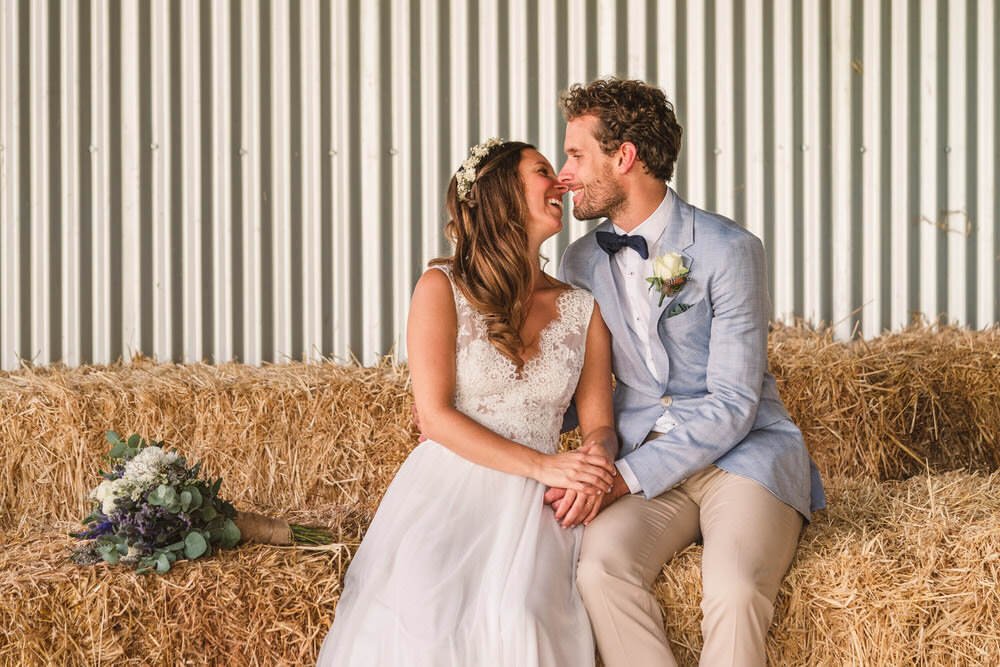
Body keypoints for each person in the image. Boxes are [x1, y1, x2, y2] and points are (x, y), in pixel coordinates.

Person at [547, 78, 827, 666]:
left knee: (734, 588)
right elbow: (580, 385)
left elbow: (733, 403)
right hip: (649, 457)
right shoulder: (579, 263)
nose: (563, 173)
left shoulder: (729, 250)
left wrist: (623, 477)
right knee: (597, 570)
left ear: (624, 157)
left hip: (743, 459)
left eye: (576, 155)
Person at [317, 139, 618, 666]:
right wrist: (547, 465)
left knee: (520, 613)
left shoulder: (581, 308)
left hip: (540, 506)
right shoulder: (441, 287)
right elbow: (433, 417)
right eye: (544, 172)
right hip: (451, 486)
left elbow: (600, 425)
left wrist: (594, 463)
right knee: (428, 600)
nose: (562, 182)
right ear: (502, 194)